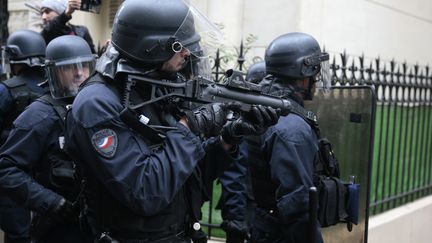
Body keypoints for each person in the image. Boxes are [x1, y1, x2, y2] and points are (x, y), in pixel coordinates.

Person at [64, 0, 279, 242]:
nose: (187, 52)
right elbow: (145, 192)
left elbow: (185, 176)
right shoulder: (97, 104)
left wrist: (228, 139)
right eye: (180, 46)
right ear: (151, 47)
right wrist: (189, 127)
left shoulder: (151, 89)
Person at [0, 35, 95, 243]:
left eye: (85, 66)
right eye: (70, 67)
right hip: (58, 225)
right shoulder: (39, 114)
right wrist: (51, 202)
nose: (79, 73)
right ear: (55, 72)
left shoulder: (98, 107)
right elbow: (6, 169)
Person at [247, 32, 331, 243]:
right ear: (304, 73)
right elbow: (297, 204)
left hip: (265, 226)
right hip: (281, 235)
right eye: (315, 72)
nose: (317, 79)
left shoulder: (268, 109)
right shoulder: (291, 128)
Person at [0, 29, 47, 243]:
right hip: (47, 175)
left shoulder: (6, 90)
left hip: (12, 174)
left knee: (18, 234)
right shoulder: (52, 88)